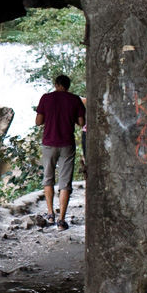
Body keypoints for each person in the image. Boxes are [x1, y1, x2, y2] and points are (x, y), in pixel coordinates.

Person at [35, 74, 86, 230]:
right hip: (67, 144)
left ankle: (50, 214)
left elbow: (38, 122)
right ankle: (62, 221)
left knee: (48, 178)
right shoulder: (74, 99)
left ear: (56, 84)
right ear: (68, 86)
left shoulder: (46, 98)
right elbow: (81, 123)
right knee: (65, 183)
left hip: (49, 144)